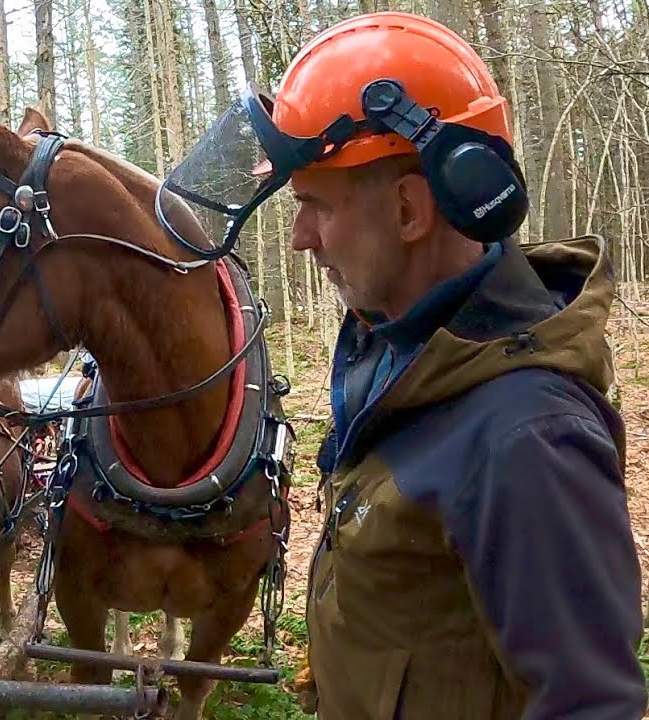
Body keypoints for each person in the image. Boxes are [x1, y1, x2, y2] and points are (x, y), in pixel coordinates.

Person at [162, 10, 645, 720]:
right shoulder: (398, 347)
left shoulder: (525, 440)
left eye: (315, 207)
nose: (299, 238)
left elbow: (589, 706)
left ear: (410, 209)